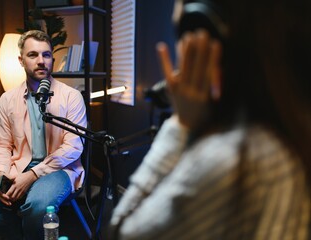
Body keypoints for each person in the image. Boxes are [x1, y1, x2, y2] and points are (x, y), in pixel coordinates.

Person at [109, 0, 311, 239]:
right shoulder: (287, 134)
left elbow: (121, 231)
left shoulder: (232, 161)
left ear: (205, 36)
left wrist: (180, 124)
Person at [0, 30, 87, 239]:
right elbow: (0, 143)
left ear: (52, 58)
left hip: (59, 168)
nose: (41, 61)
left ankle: (32, 227)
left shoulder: (71, 97)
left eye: (46, 55)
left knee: (37, 206)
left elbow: (73, 147)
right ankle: (27, 233)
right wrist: (2, 175)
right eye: (33, 55)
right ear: (21, 60)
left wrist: (33, 175)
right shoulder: (7, 99)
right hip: (18, 166)